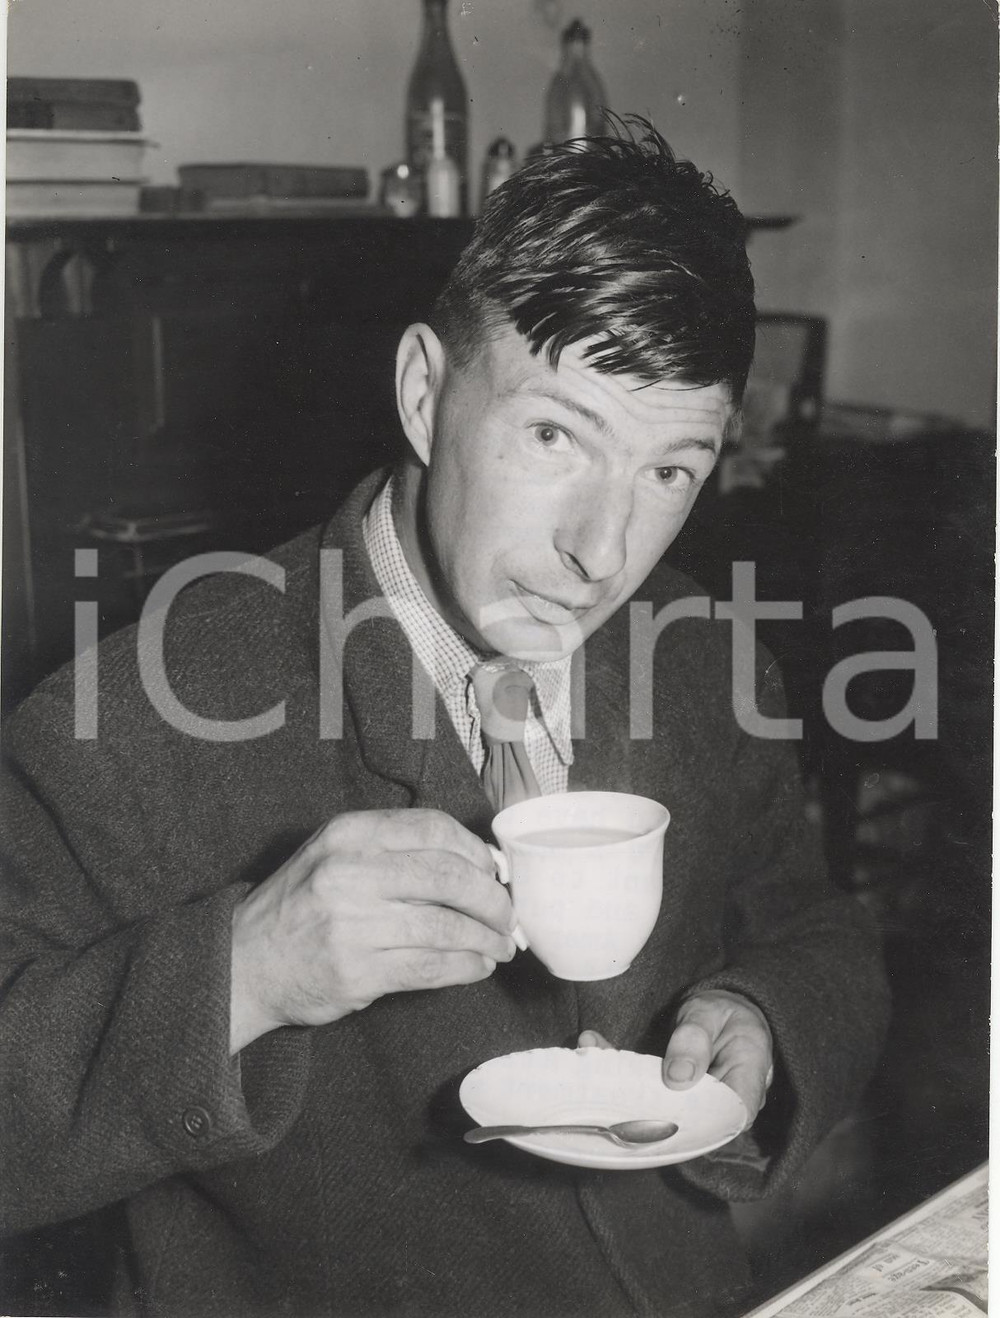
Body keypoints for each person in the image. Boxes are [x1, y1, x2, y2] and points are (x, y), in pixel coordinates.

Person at [1, 120, 888, 1317]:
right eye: (554, 434)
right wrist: (245, 972)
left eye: (670, 469)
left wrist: (760, 1014)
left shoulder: (701, 653)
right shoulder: (133, 717)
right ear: (425, 393)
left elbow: (816, 923)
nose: (600, 551)